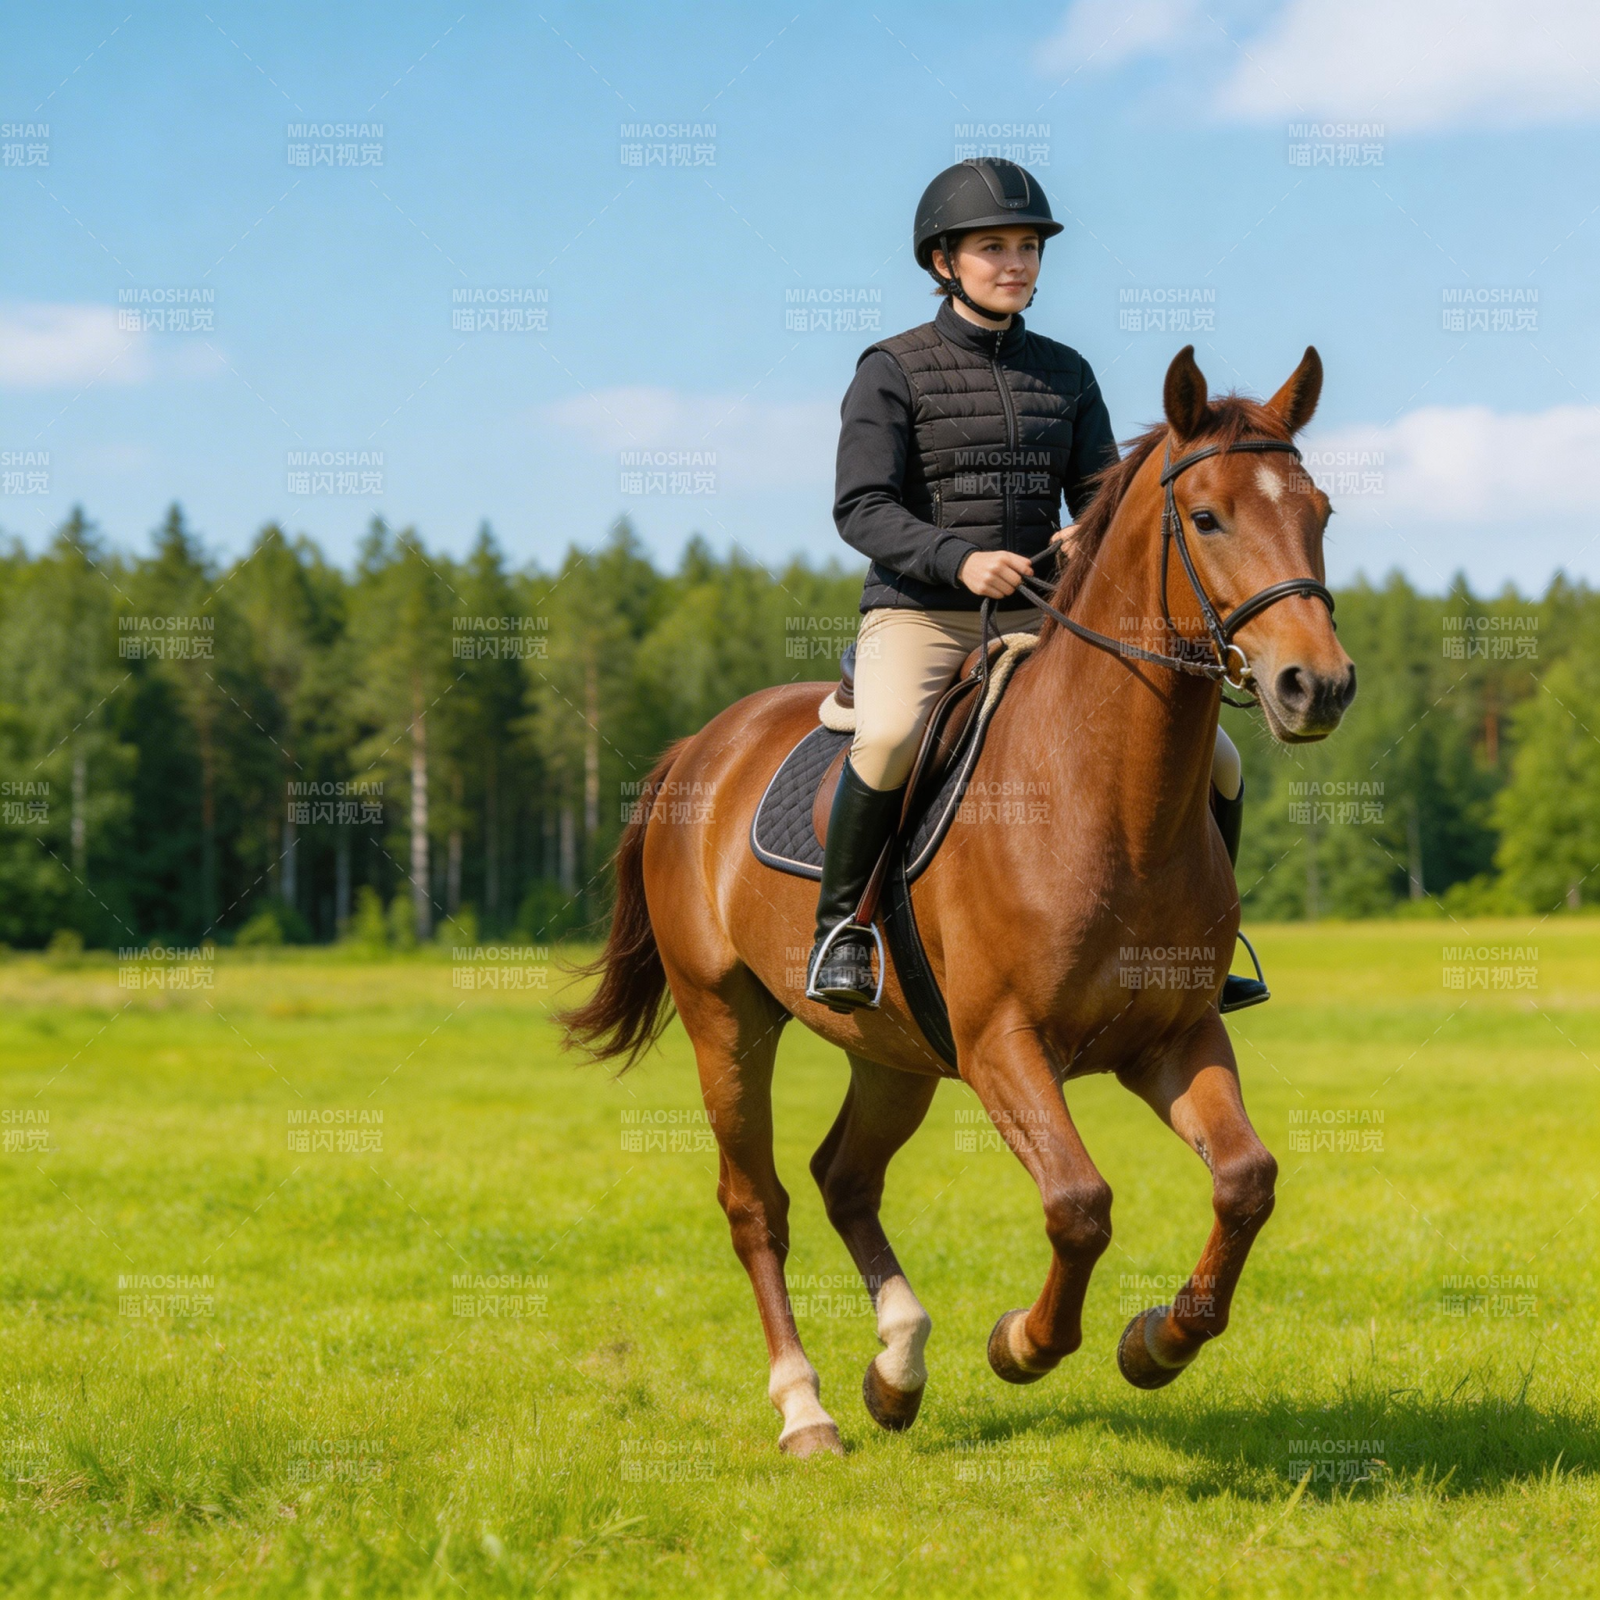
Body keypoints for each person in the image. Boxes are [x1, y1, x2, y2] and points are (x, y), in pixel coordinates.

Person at [805, 156, 1266, 1015]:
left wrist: (1085, 532)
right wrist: (959, 559)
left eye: (1028, 247)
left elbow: (1107, 500)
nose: (1015, 263)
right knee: (894, 734)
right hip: (925, 615)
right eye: (992, 248)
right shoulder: (891, 369)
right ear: (944, 262)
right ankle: (844, 931)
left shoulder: (1068, 370)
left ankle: (1207, 937)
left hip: (1046, 617)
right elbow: (860, 507)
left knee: (1222, 758)